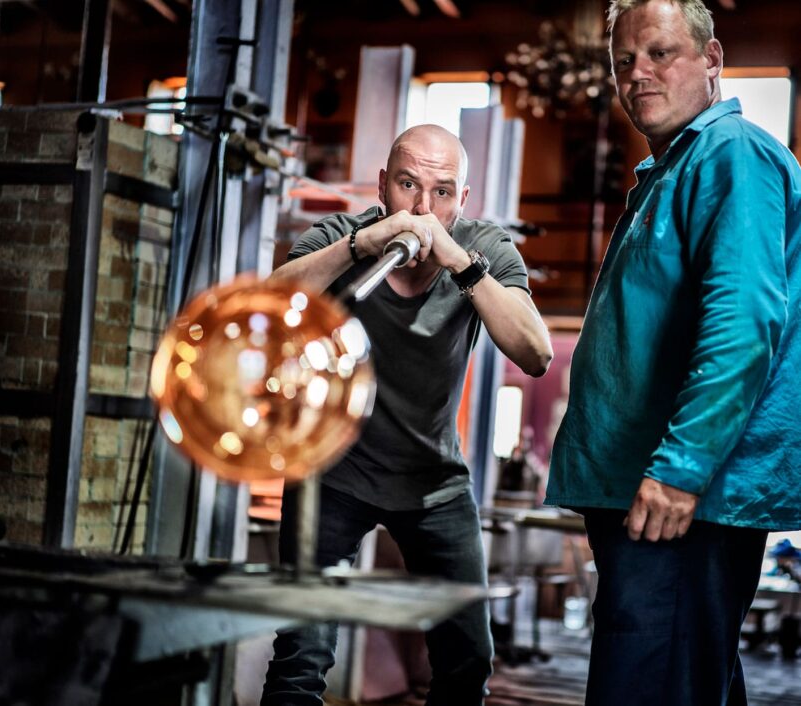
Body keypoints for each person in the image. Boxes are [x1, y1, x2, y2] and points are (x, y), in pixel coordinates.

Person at [545, 1, 801, 704]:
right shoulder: (670, 170)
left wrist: (682, 471)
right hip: (652, 495)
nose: (638, 74)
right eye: (624, 61)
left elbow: (743, 327)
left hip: (683, 502)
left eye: (659, 53)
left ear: (712, 60)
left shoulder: (733, 155)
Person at [261, 123, 553, 705]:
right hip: (332, 476)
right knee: (301, 657)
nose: (423, 208)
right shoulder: (341, 237)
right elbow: (268, 306)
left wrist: (463, 266)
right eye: (408, 185)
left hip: (433, 484)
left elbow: (537, 353)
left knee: (466, 662)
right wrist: (360, 247)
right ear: (382, 188)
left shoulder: (484, 247)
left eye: (443, 191)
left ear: (463, 200)